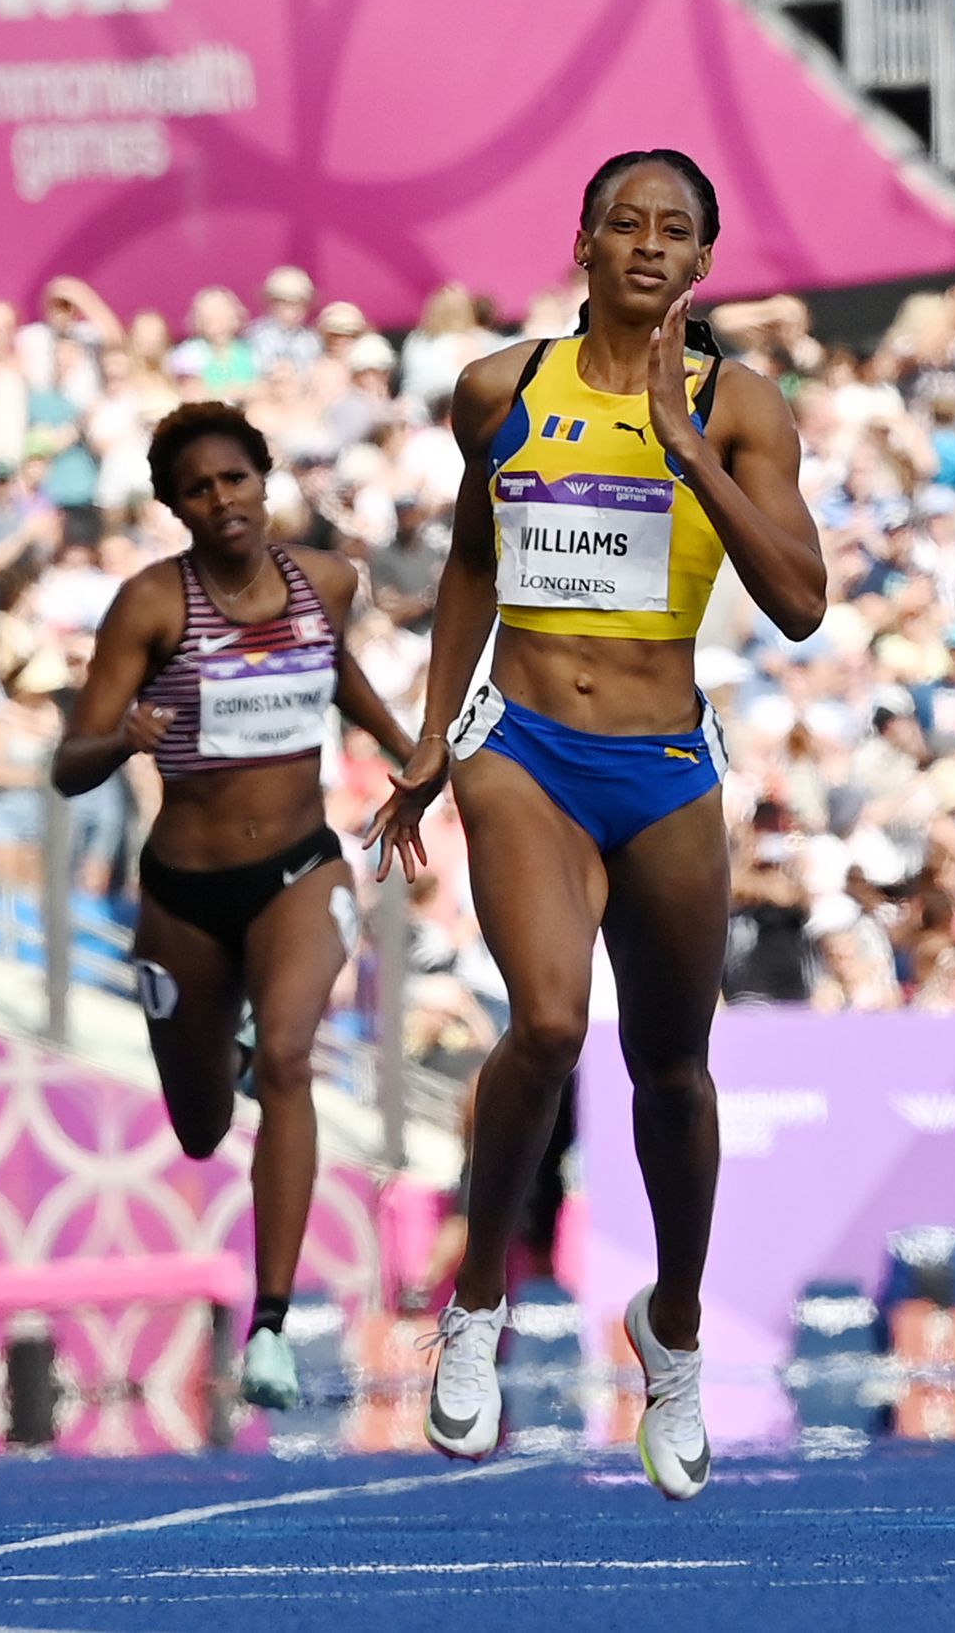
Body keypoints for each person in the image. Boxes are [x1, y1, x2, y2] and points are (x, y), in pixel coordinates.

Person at [368, 150, 825, 1498]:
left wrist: (690, 455)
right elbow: (469, 554)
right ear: (581, 238)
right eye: (622, 219)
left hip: (666, 761)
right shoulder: (499, 389)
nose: (644, 243)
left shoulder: (741, 407)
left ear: (702, 264)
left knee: (675, 1070)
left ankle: (672, 1331)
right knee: (552, 1021)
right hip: (525, 748)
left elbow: (801, 601)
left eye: (672, 230)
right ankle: (477, 1302)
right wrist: (431, 732)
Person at [55, 400, 419, 1411]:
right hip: (184, 895)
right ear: (174, 506)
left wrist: (411, 755)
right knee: (203, 1124)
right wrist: (122, 736)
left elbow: (334, 672)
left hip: (301, 869)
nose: (221, 500)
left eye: (235, 480)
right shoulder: (150, 606)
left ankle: (268, 1325)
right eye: (198, 488)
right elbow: (68, 764)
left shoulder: (329, 580)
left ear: (266, 481)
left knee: (295, 1061)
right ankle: (230, 1043)